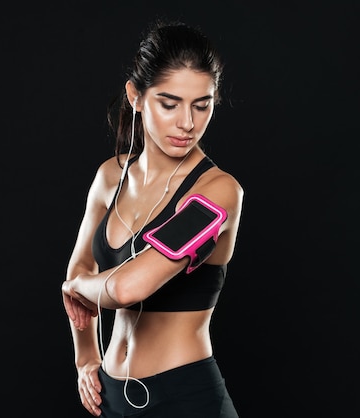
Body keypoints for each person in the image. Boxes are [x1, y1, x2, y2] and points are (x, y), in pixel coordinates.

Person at [61, 19, 244, 417]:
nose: (187, 123)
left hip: (186, 399)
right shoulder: (110, 176)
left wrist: (76, 286)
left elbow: (129, 288)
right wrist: (85, 357)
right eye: (169, 103)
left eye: (202, 104)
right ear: (136, 96)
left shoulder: (219, 191)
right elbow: (81, 263)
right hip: (111, 397)